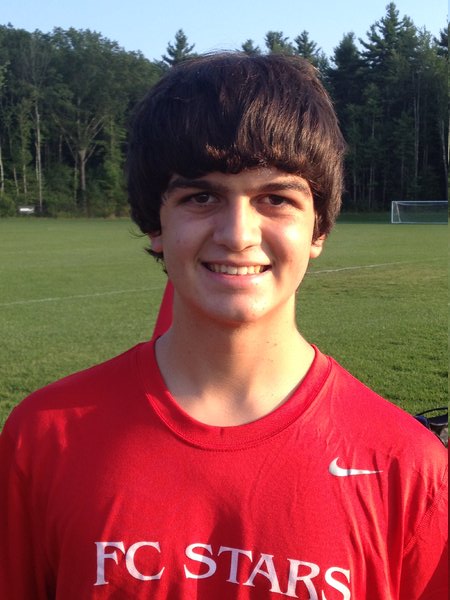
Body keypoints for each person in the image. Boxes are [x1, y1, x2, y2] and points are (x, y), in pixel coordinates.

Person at [0, 53, 447, 600]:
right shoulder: (43, 438)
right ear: (155, 223)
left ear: (319, 229)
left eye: (276, 199)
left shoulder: (408, 469)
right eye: (202, 197)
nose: (238, 234)